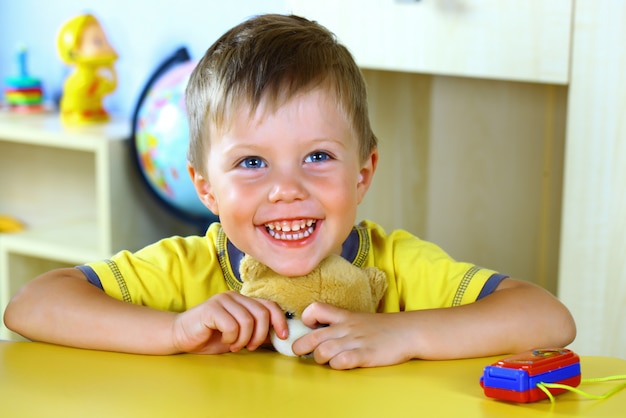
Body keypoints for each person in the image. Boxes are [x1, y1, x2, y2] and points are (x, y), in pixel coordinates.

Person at [4, 14, 575, 370]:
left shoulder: (396, 267)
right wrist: (174, 330)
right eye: (252, 162)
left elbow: (547, 318)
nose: (286, 190)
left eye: (318, 157)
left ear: (363, 173)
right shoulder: (189, 268)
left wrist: (402, 331)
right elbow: (31, 305)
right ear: (205, 187)